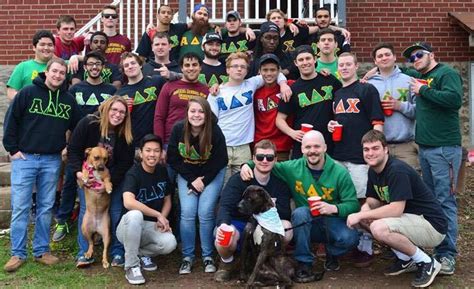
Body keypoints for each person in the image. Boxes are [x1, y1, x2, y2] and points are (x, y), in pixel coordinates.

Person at [240, 130, 359, 281]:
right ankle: (304, 264)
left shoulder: (339, 172)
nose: (312, 151)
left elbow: (353, 205)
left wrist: (334, 208)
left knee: (351, 238)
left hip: (332, 220)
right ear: (302, 149)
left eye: (317, 146)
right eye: (308, 147)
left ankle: (331, 252)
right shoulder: (293, 168)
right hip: (306, 222)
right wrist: (246, 164)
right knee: (300, 212)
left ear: (325, 148)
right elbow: (267, 163)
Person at [3, 58, 80, 272]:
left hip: (52, 160)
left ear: (65, 76)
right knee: (21, 207)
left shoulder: (68, 100)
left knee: (46, 207)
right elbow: (12, 120)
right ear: (46, 72)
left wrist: (68, 147)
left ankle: (41, 250)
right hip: (25, 158)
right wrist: (13, 150)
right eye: (54, 71)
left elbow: (78, 127)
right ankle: (17, 254)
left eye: (61, 73)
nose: (57, 76)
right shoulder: (27, 93)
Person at [347, 130, 447, 288]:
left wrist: (360, 216)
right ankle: (406, 260)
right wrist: (363, 212)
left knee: (378, 227)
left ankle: (427, 262)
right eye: (366, 149)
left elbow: (396, 210)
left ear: (385, 149)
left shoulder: (396, 170)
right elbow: (373, 200)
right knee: (366, 219)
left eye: (375, 148)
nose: (370, 153)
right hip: (411, 220)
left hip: (431, 225)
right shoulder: (374, 170)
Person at [402, 41, 463, 275]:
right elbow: (396, 69)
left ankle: (447, 254)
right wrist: (373, 71)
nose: (415, 59)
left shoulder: (446, 73)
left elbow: (454, 100)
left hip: (444, 149)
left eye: (419, 55)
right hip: (425, 149)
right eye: (411, 58)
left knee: (445, 200)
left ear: (432, 55)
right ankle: (435, 248)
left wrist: (423, 90)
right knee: (431, 202)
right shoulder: (419, 75)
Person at [52, 51, 118, 242]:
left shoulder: (111, 91)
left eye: (98, 64)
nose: (94, 67)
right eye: (90, 64)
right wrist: (67, 144)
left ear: (103, 68)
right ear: (85, 67)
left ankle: (99, 227)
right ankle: (63, 220)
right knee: (72, 181)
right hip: (78, 143)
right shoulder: (75, 90)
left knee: (102, 183)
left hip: (102, 147)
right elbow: (67, 118)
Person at [327, 52, 384, 267]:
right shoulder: (337, 93)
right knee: (341, 201)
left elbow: (377, 122)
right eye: (341, 65)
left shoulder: (367, 89)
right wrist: (331, 126)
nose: (344, 68)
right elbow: (339, 120)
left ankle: (367, 245)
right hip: (339, 155)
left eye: (348, 64)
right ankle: (348, 242)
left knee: (363, 202)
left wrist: (377, 155)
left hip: (360, 157)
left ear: (356, 66)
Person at [68, 96, 134, 268]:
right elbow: (74, 150)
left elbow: (125, 163)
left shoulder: (125, 134)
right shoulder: (88, 124)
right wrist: (78, 173)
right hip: (87, 178)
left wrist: (108, 182)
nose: (118, 115)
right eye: (114, 110)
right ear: (106, 109)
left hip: (112, 179)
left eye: (122, 112)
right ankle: (84, 253)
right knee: (85, 210)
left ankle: (117, 252)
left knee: (116, 212)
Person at [214, 139, 293, 282]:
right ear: (253, 159)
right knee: (224, 235)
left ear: (275, 159)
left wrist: (264, 216)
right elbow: (225, 205)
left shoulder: (279, 184)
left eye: (269, 157)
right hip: (240, 223)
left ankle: (267, 261)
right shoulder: (239, 180)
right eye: (260, 157)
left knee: (286, 228)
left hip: (265, 226)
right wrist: (223, 224)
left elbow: (285, 211)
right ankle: (227, 263)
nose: (264, 160)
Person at [207, 52, 291, 182]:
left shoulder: (252, 83)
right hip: (222, 145)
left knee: (242, 184)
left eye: (243, 66)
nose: (239, 69)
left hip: (244, 147)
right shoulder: (216, 93)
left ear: (247, 70)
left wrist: (283, 84)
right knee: (222, 187)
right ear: (227, 69)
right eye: (235, 66)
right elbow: (210, 123)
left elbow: (275, 73)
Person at [167, 97, 228, 275]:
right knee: (187, 212)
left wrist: (203, 181)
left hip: (211, 174)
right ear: (187, 113)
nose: (197, 115)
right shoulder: (179, 129)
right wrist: (192, 180)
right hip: (188, 174)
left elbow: (221, 160)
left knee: (205, 211)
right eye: (193, 111)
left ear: (207, 114)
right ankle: (188, 257)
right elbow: (173, 158)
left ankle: (208, 256)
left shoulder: (214, 131)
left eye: (201, 111)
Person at [117, 134, 177, 285]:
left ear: (161, 153)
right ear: (141, 153)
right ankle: (131, 266)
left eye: (156, 151)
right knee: (135, 215)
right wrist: (157, 214)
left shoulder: (162, 171)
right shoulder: (133, 173)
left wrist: (162, 218)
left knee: (170, 243)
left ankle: (139, 254)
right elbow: (128, 202)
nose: (152, 154)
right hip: (128, 226)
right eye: (148, 150)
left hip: (150, 227)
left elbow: (168, 199)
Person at [276, 45, 341, 159]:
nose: (305, 62)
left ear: (314, 59)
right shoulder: (292, 89)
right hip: (304, 145)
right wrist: (292, 132)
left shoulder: (329, 79)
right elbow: (279, 119)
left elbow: (346, 91)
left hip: (328, 142)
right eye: (301, 60)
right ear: (296, 63)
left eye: (308, 58)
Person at [367, 43, 418, 170]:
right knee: (382, 187)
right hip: (378, 147)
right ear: (375, 61)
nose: (384, 58)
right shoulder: (368, 84)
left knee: (409, 184)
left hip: (406, 146)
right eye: (380, 56)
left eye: (387, 54)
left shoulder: (409, 81)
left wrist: (400, 106)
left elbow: (420, 112)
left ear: (394, 57)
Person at [153, 52, 208, 160]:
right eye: (187, 65)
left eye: (194, 65)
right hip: (170, 143)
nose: (191, 68)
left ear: (200, 67)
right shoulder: (169, 86)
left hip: (196, 145)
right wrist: (159, 146)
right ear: (181, 69)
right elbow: (159, 117)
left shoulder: (206, 90)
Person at [116, 52, 166, 147]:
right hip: (134, 144)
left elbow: (180, 83)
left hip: (156, 141)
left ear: (140, 65)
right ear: (124, 70)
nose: (130, 67)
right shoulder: (120, 93)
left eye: (133, 63)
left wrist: (170, 75)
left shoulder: (157, 81)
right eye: (126, 65)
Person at [253, 54, 293, 161]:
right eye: (265, 70)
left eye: (273, 70)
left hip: (282, 146)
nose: (269, 73)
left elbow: (308, 82)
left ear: (279, 70)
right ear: (259, 71)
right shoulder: (254, 91)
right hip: (260, 145)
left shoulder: (289, 85)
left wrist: (322, 73)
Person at [6, 30, 55, 101]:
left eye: (50, 45)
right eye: (42, 44)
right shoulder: (23, 66)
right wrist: (24, 102)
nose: (46, 48)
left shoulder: (61, 66)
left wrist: (74, 57)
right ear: (34, 48)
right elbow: (11, 91)